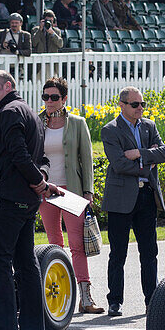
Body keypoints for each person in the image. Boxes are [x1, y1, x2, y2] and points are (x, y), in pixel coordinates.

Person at [0, 70, 49, 330]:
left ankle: (5, 329)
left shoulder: (8, 112)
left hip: (9, 197)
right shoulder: (31, 113)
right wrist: (39, 180)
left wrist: (37, 181)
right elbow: (41, 158)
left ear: (8, 86)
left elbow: (19, 155)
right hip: (27, 201)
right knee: (27, 264)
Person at [37, 76, 103, 314]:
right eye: (46, 97)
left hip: (71, 191)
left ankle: (85, 297)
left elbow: (87, 160)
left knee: (77, 245)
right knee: (54, 245)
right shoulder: (37, 122)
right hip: (46, 191)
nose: (49, 102)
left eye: (54, 97)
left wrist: (88, 192)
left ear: (64, 99)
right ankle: (59, 296)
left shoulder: (77, 123)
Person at [101, 86, 165, 316]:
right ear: (121, 105)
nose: (140, 108)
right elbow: (119, 165)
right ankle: (115, 300)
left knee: (149, 252)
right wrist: (147, 162)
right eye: (135, 104)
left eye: (142, 104)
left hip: (146, 196)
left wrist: (139, 153)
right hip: (121, 198)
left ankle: (152, 299)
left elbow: (164, 153)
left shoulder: (149, 126)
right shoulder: (110, 130)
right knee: (118, 253)